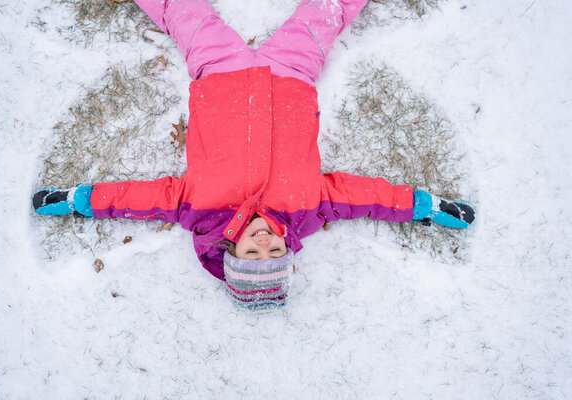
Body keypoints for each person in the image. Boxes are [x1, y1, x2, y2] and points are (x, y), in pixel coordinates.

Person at [33, 0, 475, 311]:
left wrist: (79, 200)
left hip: (219, 71)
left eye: (252, 254)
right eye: (275, 254)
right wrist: (426, 207)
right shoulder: (311, 210)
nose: (264, 245)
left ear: (232, 249)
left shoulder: (196, 210)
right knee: (325, 13)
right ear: (288, 246)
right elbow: (370, 198)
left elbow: (134, 199)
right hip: (291, 75)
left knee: (183, 12)